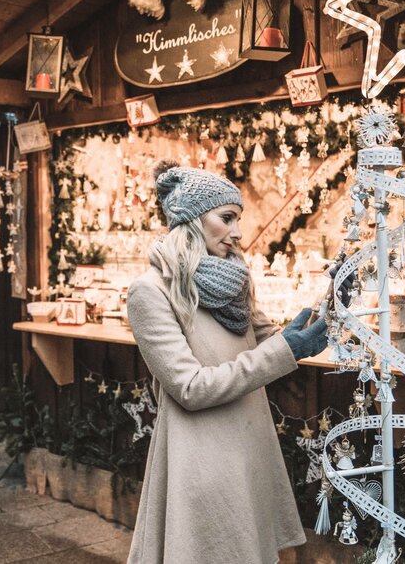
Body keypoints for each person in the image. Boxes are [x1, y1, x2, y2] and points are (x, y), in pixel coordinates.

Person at [125, 161, 333, 564]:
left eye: (238, 219)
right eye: (227, 218)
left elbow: (264, 342)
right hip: (203, 457)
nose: (238, 233)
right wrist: (284, 349)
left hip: (249, 450)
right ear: (192, 220)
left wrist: (321, 312)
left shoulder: (233, 279)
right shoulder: (149, 293)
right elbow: (189, 388)